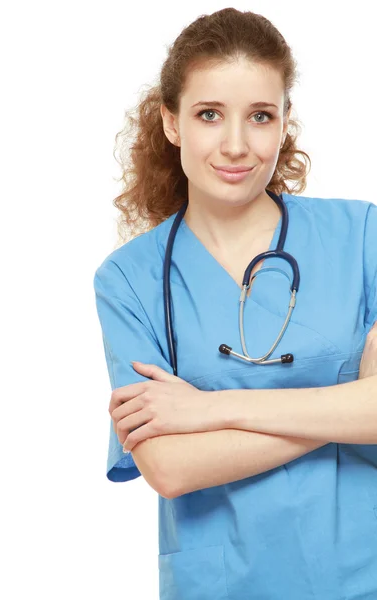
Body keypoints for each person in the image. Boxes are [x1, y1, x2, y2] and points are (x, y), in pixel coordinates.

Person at [93, 8, 377, 599]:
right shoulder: (129, 280)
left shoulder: (362, 237)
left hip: (359, 573)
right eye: (208, 115)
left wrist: (206, 411)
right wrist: (348, 412)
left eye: (260, 117)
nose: (236, 145)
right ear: (172, 123)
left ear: (285, 122)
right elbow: (170, 469)